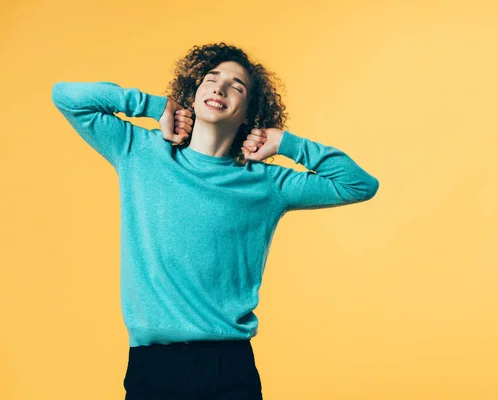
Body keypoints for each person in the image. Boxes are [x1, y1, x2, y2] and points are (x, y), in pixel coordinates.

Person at [51, 42, 379, 399]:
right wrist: (153, 106)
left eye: (237, 86)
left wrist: (286, 143)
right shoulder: (140, 151)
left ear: (249, 112)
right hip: (152, 365)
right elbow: (66, 96)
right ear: (193, 94)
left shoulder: (266, 183)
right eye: (211, 79)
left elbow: (358, 184)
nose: (220, 88)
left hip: (229, 365)